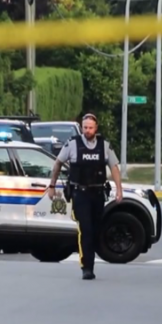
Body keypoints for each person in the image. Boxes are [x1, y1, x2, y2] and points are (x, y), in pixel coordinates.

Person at [47, 113, 123, 280]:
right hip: (80, 194)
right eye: (85, 127)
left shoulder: (104, 146)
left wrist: (119, 189)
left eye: (90, 128)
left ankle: (90, 261)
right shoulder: (73, 144)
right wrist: (52, 186)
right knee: (86, 229)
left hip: (97, 194)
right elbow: (58, 163)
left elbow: (114, 167)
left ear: (96, 128)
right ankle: (87, 267)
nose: (87, 131)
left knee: (95, 230)